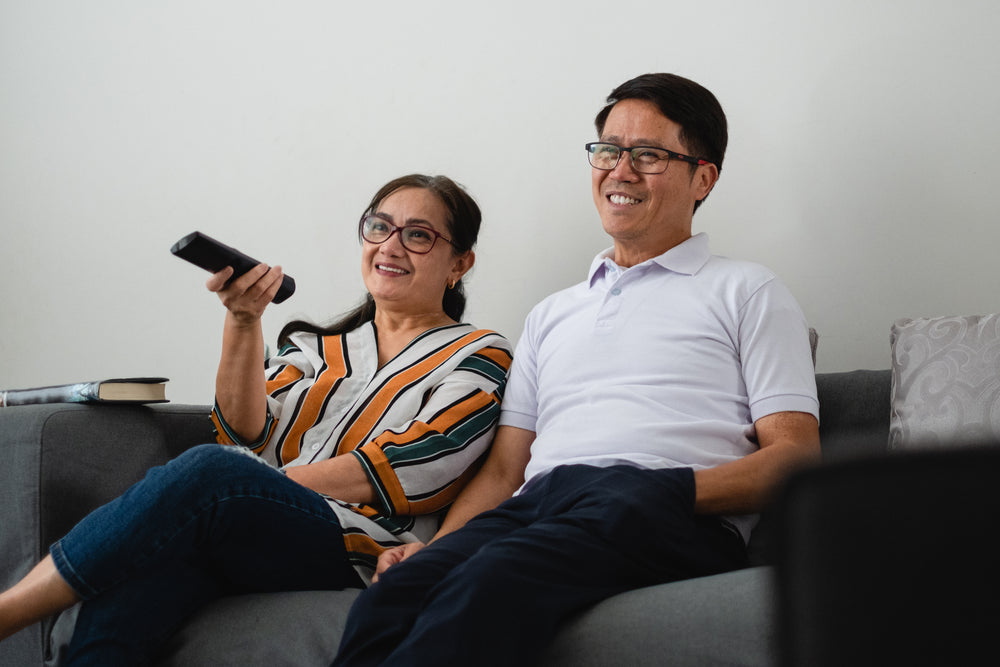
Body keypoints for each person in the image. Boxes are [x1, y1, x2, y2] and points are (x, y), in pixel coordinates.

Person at [332, 73, 822, 666]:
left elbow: (795, 459)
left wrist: (660, 488)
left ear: (703, 177)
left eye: (649, 154)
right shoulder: (551, 314)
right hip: (542, 504)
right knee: (391, 599)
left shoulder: (748, 290)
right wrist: (439, 548)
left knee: (489, 584)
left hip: (666, 506)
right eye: (610, 150)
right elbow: (506, 470)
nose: (620, 170)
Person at [0, 174, 512, 664]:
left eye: (418, 235)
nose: (390, 246)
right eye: (379, 227)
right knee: (121, 598)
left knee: (212, 472)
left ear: (459, 263)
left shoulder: (480, 353)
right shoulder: (314, 346)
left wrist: (255, 484)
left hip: (354, 541)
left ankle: (11, 610)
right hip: (253, 526)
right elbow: (245, 430)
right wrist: (244, 319)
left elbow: (419, 460)